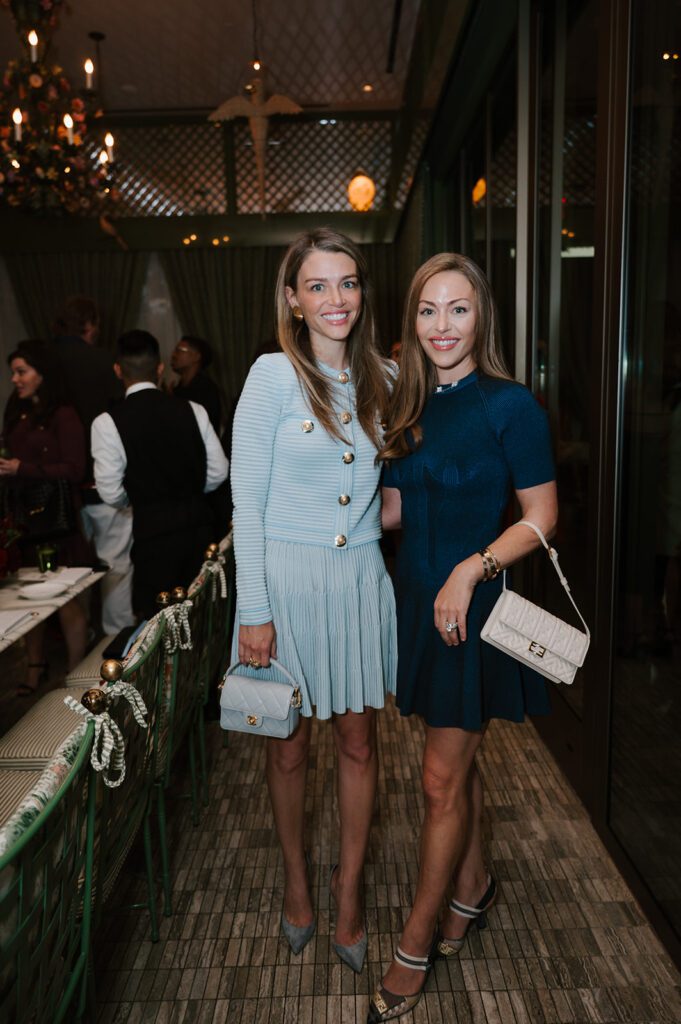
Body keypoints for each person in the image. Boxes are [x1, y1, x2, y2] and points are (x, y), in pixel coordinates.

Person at [369, 253, 558, 1022]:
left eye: (456, 309)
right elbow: (388, 514)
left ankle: (416, 940)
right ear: (410, 322)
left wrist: (468, 569)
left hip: (469, 612)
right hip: (417, 609)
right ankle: (473, 886)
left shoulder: (510, 406)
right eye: (426, 310)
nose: (441, 326)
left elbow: (541, 518)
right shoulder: (406, 407)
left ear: (480, 316)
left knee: (439, 779)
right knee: (454, 760)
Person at [231, 229, 396, 974]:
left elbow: (391, 496)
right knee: (289, 746)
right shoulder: (270, 377)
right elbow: (246, 504)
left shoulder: (388, 378)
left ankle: (349, 887)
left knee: (359, 742)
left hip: (358, 583)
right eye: (320, 286)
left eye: (349, 283)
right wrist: (252, 612)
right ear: (293, 300)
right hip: (287, 587)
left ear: (363, 293)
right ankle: (298, 880)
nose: (337, 299)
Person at [91, 330, 229, 619]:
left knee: (159, 623)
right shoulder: (192, 409)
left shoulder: (107, 422)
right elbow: (218, 471)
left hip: (152, 533)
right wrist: (189, 492)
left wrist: (141, 497)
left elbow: (109, 491)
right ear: (159, 368)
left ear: (118, 370)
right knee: (202, 615)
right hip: (199, 527)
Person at [0, 340, 90, 694]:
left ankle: (76, 674)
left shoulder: (64, 414)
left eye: (22, 371)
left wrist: (25, 467)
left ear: (43, 374)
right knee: (29, 599)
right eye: (14, 372)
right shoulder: (17, 410)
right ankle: (34, 667)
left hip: (56, 520)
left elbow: (75, 467)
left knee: (65, 599)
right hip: (24, 519)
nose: (15, 378)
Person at [52, 295, 134, 635]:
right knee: (114, 563)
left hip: (54, 486)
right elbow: (120, 415)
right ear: (90, 325)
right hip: (99, 479)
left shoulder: (45, 358)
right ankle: (115, 643)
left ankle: (77, 633)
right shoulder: (102, 362)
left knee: (68, 568)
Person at [170, 335, 222, 433]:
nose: (173, 355)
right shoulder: (177, 389)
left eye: (179, 350)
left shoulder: (206, 389)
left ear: (196, 356)